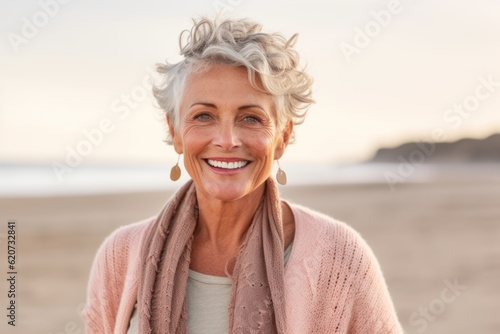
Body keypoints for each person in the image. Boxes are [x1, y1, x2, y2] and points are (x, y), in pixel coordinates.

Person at [81, 16, 403, 334]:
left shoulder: (340, 256)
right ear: (175, 131)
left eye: (250, 118)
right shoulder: (121, 254)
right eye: (203, 115)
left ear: (283, 137)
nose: (226, 140)